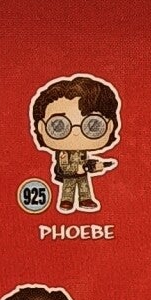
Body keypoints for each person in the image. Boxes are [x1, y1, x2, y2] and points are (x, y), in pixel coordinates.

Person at [29, 75, 120, 211]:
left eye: (93, 125)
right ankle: (67, 200)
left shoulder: (83, 151)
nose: (76, 132)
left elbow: (86, 162)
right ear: (42, 128)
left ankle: (85, 199)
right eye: (59, 126)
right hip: (69, 175)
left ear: (110, 126)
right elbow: (63, 165)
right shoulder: (63, 153)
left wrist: (95, 166)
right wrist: (75, 169)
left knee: (84, 186)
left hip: (82, 173)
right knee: (68, 187)